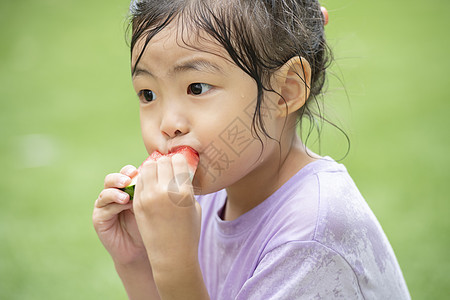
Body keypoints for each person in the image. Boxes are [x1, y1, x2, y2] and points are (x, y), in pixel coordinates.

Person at [92, 0, 410, 299]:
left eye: (197, 88)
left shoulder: (311, 235)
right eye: (148, 94)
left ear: (285, 91)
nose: (168, 123)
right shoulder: (213, 193)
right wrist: (135, 261)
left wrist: (175, 263)